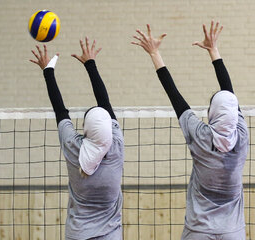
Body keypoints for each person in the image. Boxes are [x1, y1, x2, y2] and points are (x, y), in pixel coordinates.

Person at [132, 21, 248, 240]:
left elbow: (173, 94)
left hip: (199, 231)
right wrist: (214, 51)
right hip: (233, 233)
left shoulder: (200, 135)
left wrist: (154, 53)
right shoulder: (242, 136)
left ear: (212, 112)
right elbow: (230, 95)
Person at [30, 37, 124, 240]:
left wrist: (48, 70)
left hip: (77, 234)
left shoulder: (74, 147)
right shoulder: (116, 145)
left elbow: (60, 110)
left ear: (86, 129)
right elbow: (105, 103)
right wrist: (90, 64)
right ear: (110, 127)